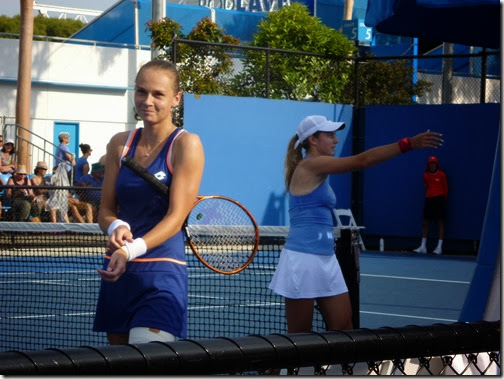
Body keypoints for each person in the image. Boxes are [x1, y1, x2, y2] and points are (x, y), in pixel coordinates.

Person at [268, 115, 443, 334]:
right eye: (330, 135)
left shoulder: (320, 168)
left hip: (326, 258)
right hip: (302, 260)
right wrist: (408, 143)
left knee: (345, 329)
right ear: (313, 139)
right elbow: (362, 161)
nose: (336, 140)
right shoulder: (311, 165)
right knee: (298, 339)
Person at [93, 59, 204, 345]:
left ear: (176, 99)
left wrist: (130, 250)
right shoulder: (120, 143)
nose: (147, 101)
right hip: (118, 273)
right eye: (141, 92)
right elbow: (105, 210)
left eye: (158, 94)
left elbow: (176, 217)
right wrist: (114, 225)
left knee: (147, 364)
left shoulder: (186, 144)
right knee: (120, 370)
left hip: (161, 274)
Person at [413, 156, 448, 255]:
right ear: (428, 165)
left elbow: (445, 190)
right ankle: (423, 246)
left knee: (440, 223)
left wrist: (442, 201)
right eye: (430, 163)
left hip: (439, 200)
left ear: (437, 164)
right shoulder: (426, 176)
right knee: (425, 223)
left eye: (434, 163)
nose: (432, 165)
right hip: (429, 199)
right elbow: (426, 186)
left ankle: (439, 247)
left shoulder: (442, 175)